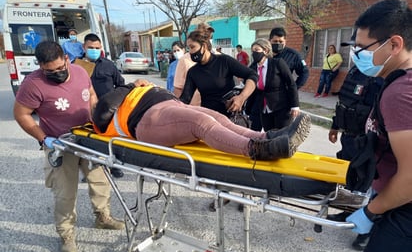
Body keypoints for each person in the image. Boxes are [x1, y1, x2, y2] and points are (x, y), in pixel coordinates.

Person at [13, 41, 125, 252]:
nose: (56, 73)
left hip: (89, 138)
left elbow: (90, 93)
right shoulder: (33, 84)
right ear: (40, 66)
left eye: (59, 68)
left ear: (66, 58)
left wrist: (96, 117)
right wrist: (44, 139)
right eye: (49, 71)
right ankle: (66, 234)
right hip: (60, 143)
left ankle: (103, 217)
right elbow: (21, 114)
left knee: (101, 181)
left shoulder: (81, 71)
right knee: (65, 193)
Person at [344, 0, 412, 252]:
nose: (357, 55)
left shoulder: (401, 92)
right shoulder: (399, 82)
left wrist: (372, 211)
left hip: (403, 221)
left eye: (363, 48)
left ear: (394, 44)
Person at [91, 83, 311, 163]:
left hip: (170, 107)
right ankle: (258, 149)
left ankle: (270, 138)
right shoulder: (107, 107)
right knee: (201, 123)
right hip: (147, 121)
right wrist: (129, 87)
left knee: (218, 117)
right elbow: (101, 114)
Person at [327, 32, 384, 251]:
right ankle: (348, 211)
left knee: (368, 182)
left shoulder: (383, 75)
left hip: (369, 141)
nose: (355, 52)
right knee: (350, 176)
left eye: (360, 47)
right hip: (349, 135)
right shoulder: (355, 70)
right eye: (354, 47)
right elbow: (345, 101)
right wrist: (334, 126)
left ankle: (367, 230)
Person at [180, 26, 257, 117]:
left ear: (204, 46)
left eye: (192, 47)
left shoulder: (224, 61)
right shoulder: (193, 72)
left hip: (230, 118)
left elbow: (252, 75)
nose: (190, 52)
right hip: (210, 120)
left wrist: (241, 98)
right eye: (188, 48)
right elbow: (185, 99)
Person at [81, 33, 127, 178]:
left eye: (97, 48)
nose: (94, 50)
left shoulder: (108, 65)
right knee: (89, 139)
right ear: (84, 47)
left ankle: (115, 166)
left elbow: (120, 84)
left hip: (109, 110)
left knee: (112, 139)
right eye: (90, 47)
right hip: (87, 110)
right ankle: (89, 169)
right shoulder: (77, 67)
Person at [247, 38, 300, 132]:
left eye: (257, 50)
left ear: (266, 50)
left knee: (281, 136)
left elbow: (291, 84)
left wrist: (295, 105)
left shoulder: (277, 63)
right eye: (252, 51)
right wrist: (247, 109)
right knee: (269, 135)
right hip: (264, 109)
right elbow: (253, 90)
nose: (254, 53)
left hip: (281, 107)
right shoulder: (253, 68)